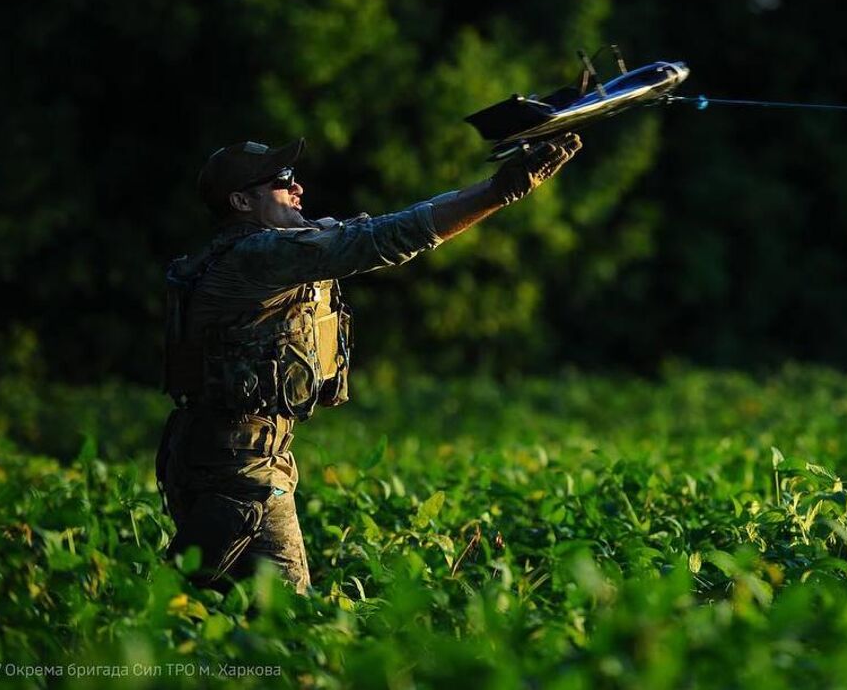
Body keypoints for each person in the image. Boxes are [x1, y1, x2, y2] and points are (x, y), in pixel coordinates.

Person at [156, 133, 581, 594]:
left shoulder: (250, 252)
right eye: (281, 180)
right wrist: (498, 191)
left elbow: (363, 230)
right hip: (240, 471)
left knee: (210, 612)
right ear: (240, 200)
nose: (297, 188)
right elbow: (385, 236)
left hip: (215, 456)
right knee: (286, 624)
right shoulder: (261, 255)